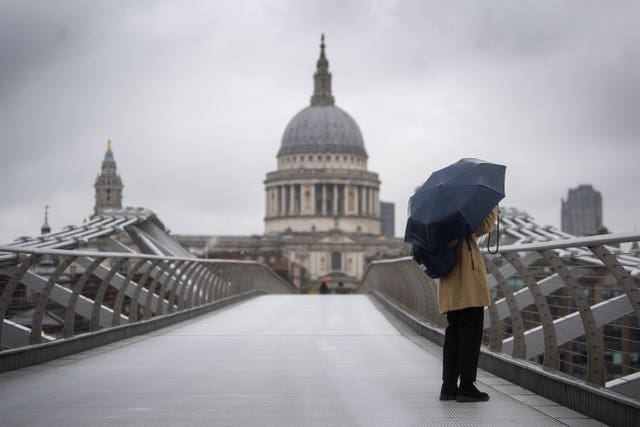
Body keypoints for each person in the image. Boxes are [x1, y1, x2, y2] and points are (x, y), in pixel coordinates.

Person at [438, 206, 499, 402]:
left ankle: (448, 387)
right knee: (471, 332)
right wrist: (494, 207)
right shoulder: (458, 210)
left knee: (454, 331)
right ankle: (466, 386)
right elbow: (483, 226)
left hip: (449, 279)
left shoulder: (437, 214)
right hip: (466, 277)